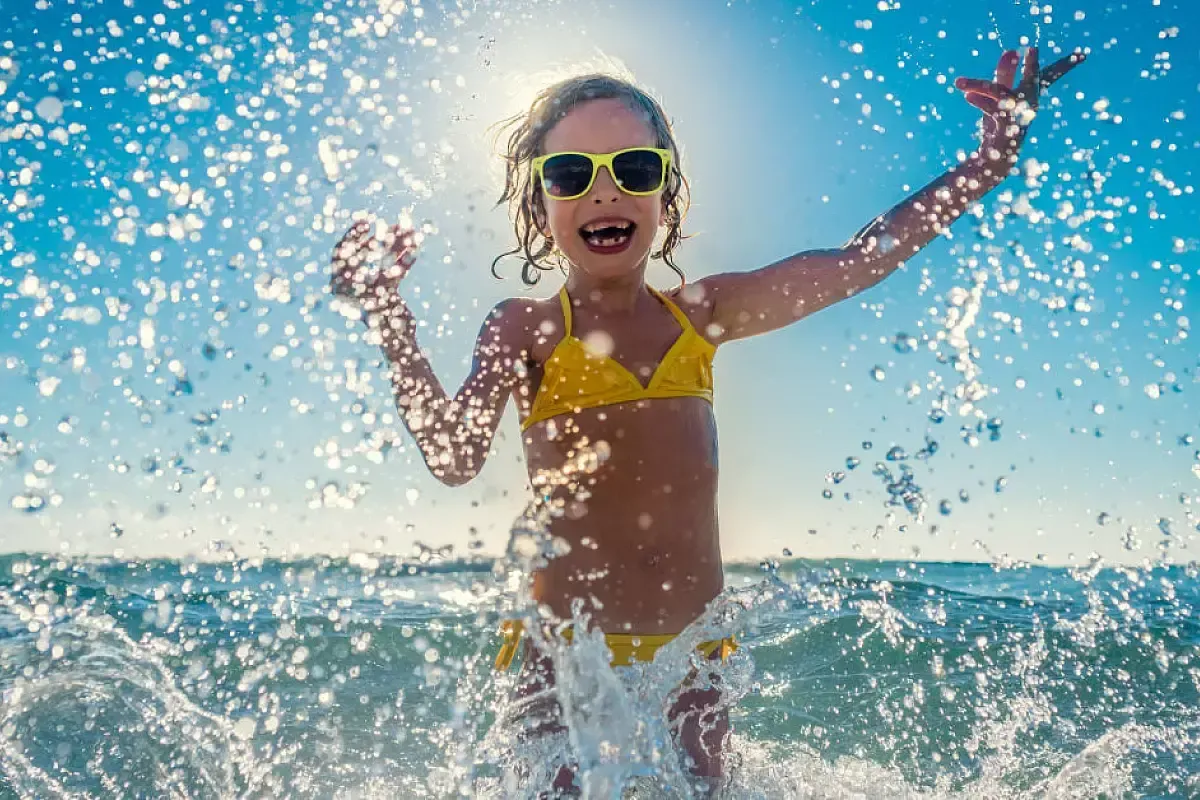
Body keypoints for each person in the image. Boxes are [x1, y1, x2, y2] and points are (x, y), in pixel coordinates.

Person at [329, 47, 1084, 795]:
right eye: (570, 175)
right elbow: (456, 454)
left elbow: (860, 260)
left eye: (634, 170)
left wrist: (985, 168)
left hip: (694, 655)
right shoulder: (526, 328)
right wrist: (390, 317)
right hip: (564, 658)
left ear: (666, 192)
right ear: (539, 203)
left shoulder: (702, 316)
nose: (604, 194)